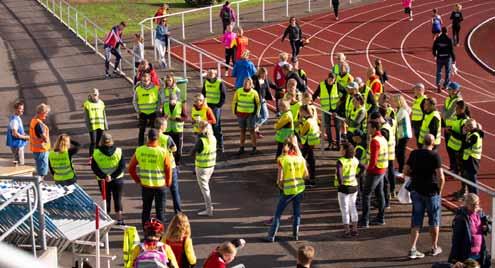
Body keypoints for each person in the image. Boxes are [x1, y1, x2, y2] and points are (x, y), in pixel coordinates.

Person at [404, 133, 445, 259]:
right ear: (433, 143)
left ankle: (412, 249)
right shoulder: (435, 155)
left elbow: (405, 170)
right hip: (431, 192)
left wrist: (414, 176)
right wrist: (439, 191)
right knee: (434, 221)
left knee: (416, 221)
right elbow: (441, 177)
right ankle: (434, 247)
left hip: (416, 190)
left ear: (423, 141)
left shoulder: (414, 153)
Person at [265, 137, 308, 242]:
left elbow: (280, 179)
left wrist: (281, 186)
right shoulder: (300, 159)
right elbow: (306, 175)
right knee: (297, 213)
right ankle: (295, 235)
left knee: (278, 214)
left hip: (287, 191)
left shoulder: (282, 159)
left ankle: (271, 235)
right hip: (299, 189)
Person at [128, 129, 173, 225]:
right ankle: (159, 235)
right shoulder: (163, 152)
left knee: (146, 210)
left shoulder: (140, 150)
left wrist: (138, 180)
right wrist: (168, 182)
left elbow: (131, 168)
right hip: (160, 186)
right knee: (160, 212)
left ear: (147, 138)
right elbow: (168, 169)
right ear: (158, 139)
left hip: (146, 185)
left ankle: (146, 233)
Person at [91, 133, 125, 225]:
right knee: (118, 199)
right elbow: (122, 167)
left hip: (103, 180)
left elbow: (94, 167)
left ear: (101, 141)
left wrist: (104, 176)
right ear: (111, 140)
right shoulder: (118, 151)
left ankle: (107, 219)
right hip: (117, 179)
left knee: (106, 199)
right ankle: (120, 219)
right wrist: (112, 176)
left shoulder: (96, 152)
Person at [448, 194, 491, 267]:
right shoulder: (461, 218)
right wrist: (455, 258)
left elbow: (490, 225)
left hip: (480, 254)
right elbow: (456, 240)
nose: (475, 206)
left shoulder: (480, 214)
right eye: (472, 204)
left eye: (476, 204)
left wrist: (487, 227)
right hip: (467, 256)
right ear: (466, 204)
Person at [359, 121, 388, 228]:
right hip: (382, 169)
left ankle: (365, 220)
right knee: (380, 193)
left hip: (375, 171)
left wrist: (367, 169)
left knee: (366, 194)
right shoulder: (383, 138)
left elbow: (373, 159)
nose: (367, 129)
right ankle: (381, 217)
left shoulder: (375, 141)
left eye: (369, 127)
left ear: (375, 129)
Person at [335, 143, 365, 237]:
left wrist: (341, 183)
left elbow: (339, 175)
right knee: (353, 207)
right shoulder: (355, 160)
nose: (340, 150)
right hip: (354, 187)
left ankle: (347, 231)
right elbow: (363, 167)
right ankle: (355, 230)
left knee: (344, 210)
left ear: (344, 151)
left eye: (341, 149)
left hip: (344, 188)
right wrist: (357, 176)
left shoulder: (340, 161)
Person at [312, 72, 344, 150]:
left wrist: (341, 101)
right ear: (328, 78)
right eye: (330, 79)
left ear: (335, 79)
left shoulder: (337, 85)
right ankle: (330, 143)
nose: (331, 81)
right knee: (327, 127)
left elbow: (345, 93)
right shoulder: (322, 85)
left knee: (337, 126)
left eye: (333, 79)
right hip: (326, 110)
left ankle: (338, 144)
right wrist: (311, 100)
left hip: (336, 109)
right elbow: (316, 94)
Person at [156, 117, 182, 214]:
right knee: (175, 191)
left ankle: (162, 213)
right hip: (170, 166)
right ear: (162, 126)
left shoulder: (151, 137)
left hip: (159, 166)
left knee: (162, 192)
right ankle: (178, 212)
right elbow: (174, 148)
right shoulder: (167, 138)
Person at [193, 121, 217, 216]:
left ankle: (209, 210)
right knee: (206, 187)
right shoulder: (213, 138)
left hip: (202, 168)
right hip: (211, 166)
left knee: (205, 190)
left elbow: (192, 152)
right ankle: (209, 207)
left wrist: (198, 138)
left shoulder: (201, 141)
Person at [232, 77, 260, 155]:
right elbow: (234, 101)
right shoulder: (239, 91)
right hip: (240, 114)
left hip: (250, 115)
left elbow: (258, 104)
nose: (245, 84)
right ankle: (241, 147)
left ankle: (254, 148)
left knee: (252, 131)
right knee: (242, 131)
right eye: (244, 83)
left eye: (247, 83)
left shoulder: (254, 93)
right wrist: (234, 111)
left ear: (251, 85)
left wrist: (256, 113)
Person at [134, 72, 162, 146]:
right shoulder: (138, 89)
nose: (145, 82)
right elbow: (134, 101)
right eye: (143, 80)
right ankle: (140, 145)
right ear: (141, 80)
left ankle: (154, 144)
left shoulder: (156, 88)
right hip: (142, 113)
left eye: (147, 80)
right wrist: (138, 110)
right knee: (141, 130)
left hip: (153, 112)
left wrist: (157, 109)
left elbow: (159, 99)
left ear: (150, 80)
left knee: (154, 130)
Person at [202, 69, 226, 152]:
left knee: (216, 126)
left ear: (215, 74)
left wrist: (219, 105)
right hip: (207, 106)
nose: (210, 74)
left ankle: (220, 145)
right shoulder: (206, 82)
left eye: (212, 73)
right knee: (207, 126)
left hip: (215, 107)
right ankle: (211, 145)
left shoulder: (220, 83)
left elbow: (223, 95)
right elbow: (203, 93)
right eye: (209, 73)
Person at [443, 82, 463, 173]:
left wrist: (444, 115)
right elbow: (443, 109)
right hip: (447, 126)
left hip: (454, 127)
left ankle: (456, 168)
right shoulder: (447, 99)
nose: (448, 91)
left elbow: (448, 113)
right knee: (448, 148)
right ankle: (452, 167)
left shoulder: (458, 100)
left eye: (450, 89)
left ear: (455, 91)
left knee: (453, 148)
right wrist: (444, 115)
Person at [83, 88, 108, 160]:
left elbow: (104, 114)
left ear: (98, 94)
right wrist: (88, 126)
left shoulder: (101, 103)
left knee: (98, 143)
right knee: (93, 142)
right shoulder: (87, 104)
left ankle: (97, 156)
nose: (94, 95)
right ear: (90, 94)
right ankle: (91, 157)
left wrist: (105, 125)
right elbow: (86, 117)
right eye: (93, 94)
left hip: (100, 124)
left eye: (96, 94)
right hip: (92, 125)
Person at [252, 67, 276, 138]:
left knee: (263, 116)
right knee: (263, 116)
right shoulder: (254, 79)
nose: (265, 76)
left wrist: (281, 88)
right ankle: (255, 129)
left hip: (262, 100)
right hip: (256, 101)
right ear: (260, 73)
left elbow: (272, 85)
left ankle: (255, 128)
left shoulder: (265, 79)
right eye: (264, 75)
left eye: (266, 75)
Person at [299, 105, 320, 186]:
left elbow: (302, 132)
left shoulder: (307, 122)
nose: (300, 113)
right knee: (311, 160)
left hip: (307, 143)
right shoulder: (313, 120)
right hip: (312, 143)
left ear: (304, 112)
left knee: (302, 160)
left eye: (301, 112)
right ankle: (312, 179)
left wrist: (301, 123)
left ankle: (307, 178)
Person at [164, 93, 187, 165]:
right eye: (171, 100)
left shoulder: (181, 105)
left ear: (176, 99)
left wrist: (176, 119)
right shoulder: (165, 105)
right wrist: (164, 117)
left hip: (178, 130)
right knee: (167, 148)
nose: (172, 101)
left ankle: (177, 162)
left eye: (173, 100)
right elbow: (161, 116)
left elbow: (185, 118)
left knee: (178, 148)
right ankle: (167, 161)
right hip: (167, 130)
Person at [29, 103, 51, 179]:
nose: (46, 115)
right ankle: (39, 188)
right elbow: (44, 138)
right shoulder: (39, 124)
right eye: (46, 113)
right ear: (41, 112)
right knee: (42, 173)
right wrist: (46, 139)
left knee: (40, 170)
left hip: (36, 149)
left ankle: (39, 187)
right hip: (42, 150)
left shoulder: (33, 120)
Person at [392, 94, 412, 174]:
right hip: (400, 134)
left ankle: (402, 169)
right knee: (398, 152)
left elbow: (395, 121)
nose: (394, 102)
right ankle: (401, 167)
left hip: (404, 134)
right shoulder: (399, 110)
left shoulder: (402, 111)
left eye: (395, 101)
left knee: (401, 152)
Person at [462, 119, 483, 195]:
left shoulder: (474, 135)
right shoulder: (471, 133)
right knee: (469, 180)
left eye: (466, 126)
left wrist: (464, 134)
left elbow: (465, 145)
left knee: (472, 181)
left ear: (470, 127)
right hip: (469, 159)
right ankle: (471, 197)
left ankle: (475, 200)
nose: (464, 127)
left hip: (472, 160)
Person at [433, 27, 456, 92]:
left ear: (441, 31)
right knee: (448, 72)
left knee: (439, 72)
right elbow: (451, 50)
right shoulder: (449, 39)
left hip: (439, 58)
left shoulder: (438, 39)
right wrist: (454, 60)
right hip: (447, 58)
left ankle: (438, 85)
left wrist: (435, 55)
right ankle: (445, 85)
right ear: (447, 32)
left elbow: (434, 48)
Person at [6, 100, 29, 166]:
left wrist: (24, 134)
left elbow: (19, 130)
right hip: (17, 145)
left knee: (18, 162)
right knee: (20, 164)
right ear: (15, 109)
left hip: (18, 145)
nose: (22, 110)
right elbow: (14, 134)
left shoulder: (17, 117)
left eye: (23, 109)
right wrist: (26, 137)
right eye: (20, 109)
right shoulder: (14, 120)